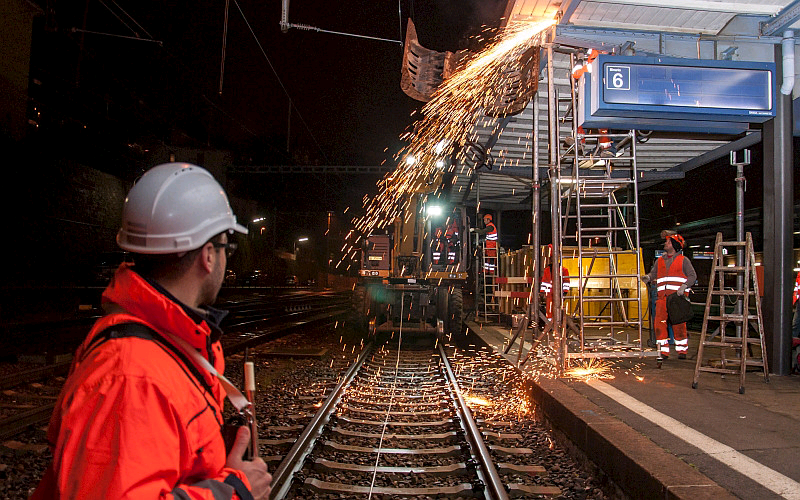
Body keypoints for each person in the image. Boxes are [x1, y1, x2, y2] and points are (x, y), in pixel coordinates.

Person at [32, 163, 271, 499]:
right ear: (207, 256)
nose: (226, 259)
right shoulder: (131, 376)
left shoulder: (169, 345)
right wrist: (234, 491)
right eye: (226, 248)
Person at [642, 232, 697, 360]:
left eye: (668, 242)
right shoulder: (660, 260)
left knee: (679, 325)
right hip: (662, 298)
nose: (665, 243)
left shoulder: (684, 260)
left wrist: (684, 287)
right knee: (659, 324)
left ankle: (682, 350)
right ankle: (663, 351)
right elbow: (654, 273)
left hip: (677, 299)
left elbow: (693, 276)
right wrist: (648, 277)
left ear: (674, 245)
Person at [540, 244, 571, 319]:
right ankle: (550, 324)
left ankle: (557, 324)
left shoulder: (563, 270)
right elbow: (544, 282)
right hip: (549, 295)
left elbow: (566, 282)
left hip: (558, 294)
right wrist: (543, 293)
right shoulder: (547, 270)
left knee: (558, 310)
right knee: (549, 311)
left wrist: (564, 292)